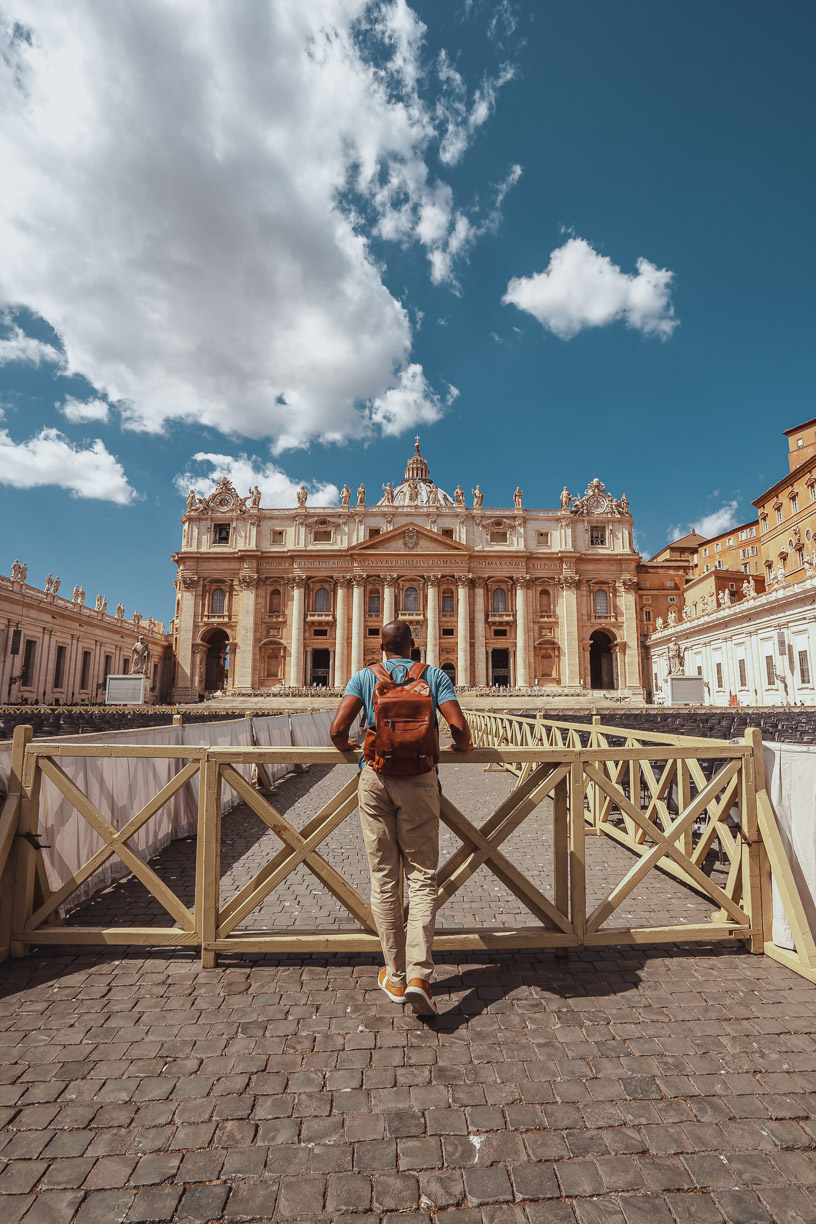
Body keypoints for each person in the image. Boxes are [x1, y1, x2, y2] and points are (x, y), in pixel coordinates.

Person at [331, 619, 472, 1016]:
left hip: (375, 778)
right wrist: (463, 745)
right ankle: (419, 976)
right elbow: (459, 727)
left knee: (383, 877)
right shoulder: (433, 676)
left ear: (381, 647)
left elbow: (337, 729)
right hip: (421, 781)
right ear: (415, 647)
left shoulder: (365, 676)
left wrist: (352, 744)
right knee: (423, 877)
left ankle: (394, 975)